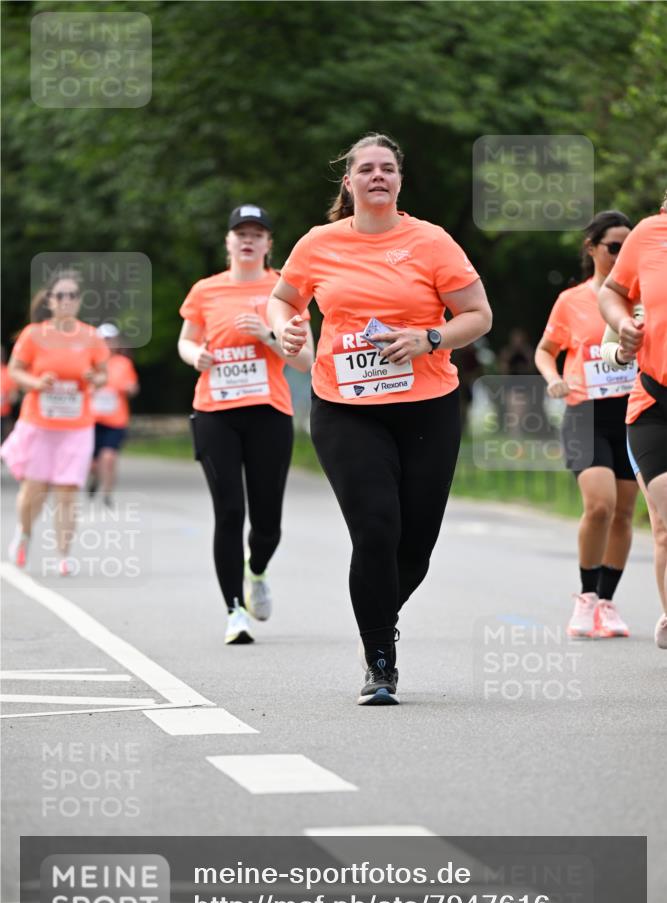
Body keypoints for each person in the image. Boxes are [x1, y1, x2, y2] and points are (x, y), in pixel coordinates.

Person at [268, 133, 492, 705]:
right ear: (348, 182)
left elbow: (478, 315)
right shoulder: (319, 243)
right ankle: (380, 659)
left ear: (399, 180)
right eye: (365, 169)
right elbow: (284, 299)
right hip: (345, 408)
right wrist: (286, 326)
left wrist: (430, 337)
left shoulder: (431, 241)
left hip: (427, 407)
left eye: (387, 168)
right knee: (375, 527)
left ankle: (376, 612)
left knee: (414, 547)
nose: (377, 176)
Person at [178, 205, 314, 644]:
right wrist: (195, 356)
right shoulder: (206, 290)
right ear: (229, 241)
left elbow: (306, 360)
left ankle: (257, 571)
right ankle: (234, 611)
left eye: (257, 233)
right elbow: (185, 340)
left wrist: (266, 335)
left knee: (267, 522)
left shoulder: (284, 290)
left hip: (268, 413)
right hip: (215, 412)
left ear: (269, 243)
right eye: (241, 233)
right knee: (229, 511)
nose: (248, 240)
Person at [535, 211, 637, 639]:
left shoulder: (642, 299)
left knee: (624, 513)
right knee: (600, 505)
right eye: (614, 247)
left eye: (628, 247)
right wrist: (554, 379)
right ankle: (586, 597)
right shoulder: (572, 300)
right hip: (585, 413)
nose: (621, 254)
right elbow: (545, 349)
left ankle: (607, 603)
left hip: (633, 413)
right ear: (592, 248)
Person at [1, 269, 109, 574]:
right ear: (49, 300)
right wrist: (36, 383)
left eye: (72, 295)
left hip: (76, 426)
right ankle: (24, 533)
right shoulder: (33, 335)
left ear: (79, 300)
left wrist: (94, 378)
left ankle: (64, 554)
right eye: (60, 295)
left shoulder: (91, 337)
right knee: (33, 489)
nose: (66, 301)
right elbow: (15, 371)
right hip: (40, 423)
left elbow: (103, 375)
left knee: (67, 491)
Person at [598, 193, 667, 648]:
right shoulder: (649, 234)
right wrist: (623, 331)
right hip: (654, 403)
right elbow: (611, 294)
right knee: (663, 522)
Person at [88, 323, 140, 506]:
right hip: (92, 420)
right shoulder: (90, 362)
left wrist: (129, 388)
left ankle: (107, 493)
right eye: (103, 340)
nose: (107, 344)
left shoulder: (123, 363)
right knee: (92, 463)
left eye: (110, 340)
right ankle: (94, 477)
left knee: (109, 457)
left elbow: (133, 387)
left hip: (116, 420)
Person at [1, 344, 19, 442]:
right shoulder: (9, 372)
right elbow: (14, 397)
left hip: (4, 416)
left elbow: (13, 397)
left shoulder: (9, 372)